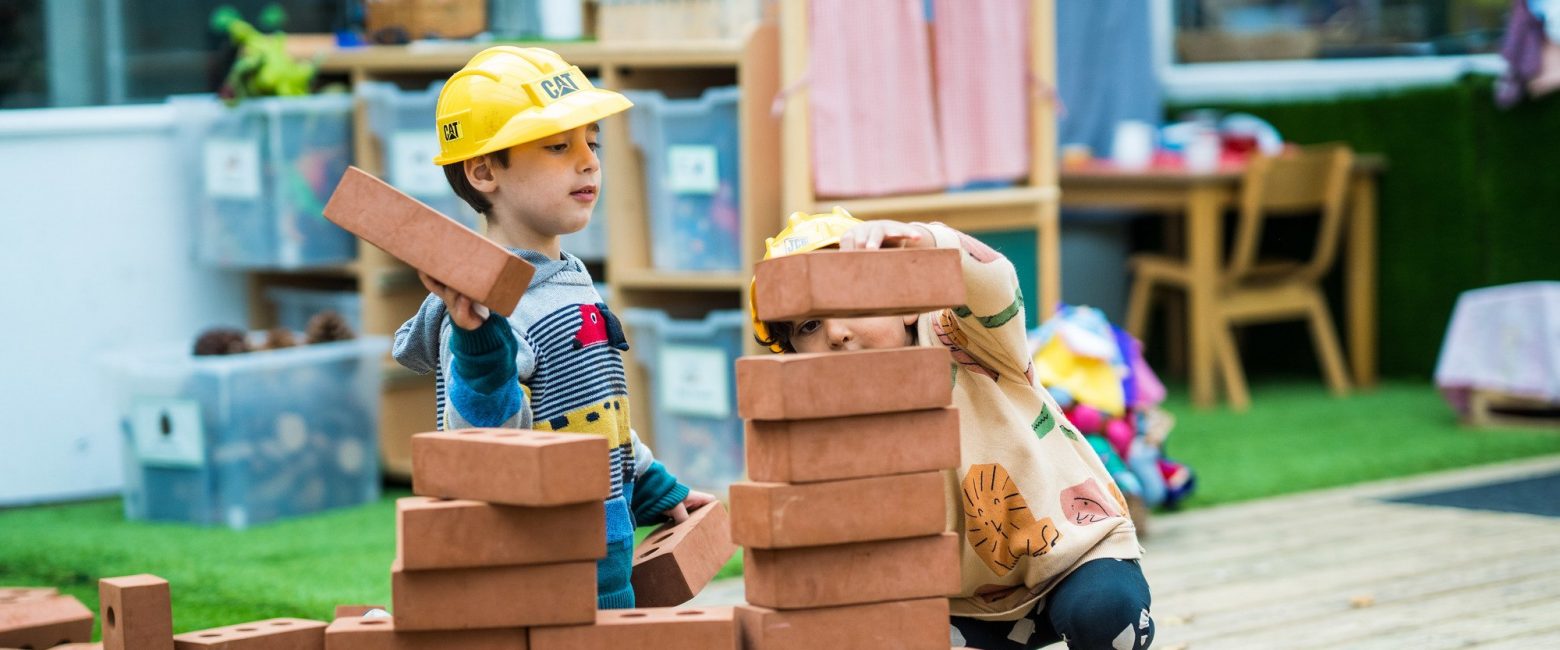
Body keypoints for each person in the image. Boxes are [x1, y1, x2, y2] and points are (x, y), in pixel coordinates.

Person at [392, 46, 714, 609]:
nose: (588, 161)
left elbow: (597, 410)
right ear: (484, 170)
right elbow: (482, 445)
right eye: (558, 146)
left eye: (592, 142)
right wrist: (478, 343)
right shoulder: (483, 313)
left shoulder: (569, 280)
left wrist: (651, 485)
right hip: (537, 574)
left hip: (601, 557)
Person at [751, 208, 1154, 649]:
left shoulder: (961, 335)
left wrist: (925, 241)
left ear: (903, 302)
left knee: (1105, 613)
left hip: (1075, 556)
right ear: (791, 353)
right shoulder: (827, 420)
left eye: (847, 298)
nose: (836, 332)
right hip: (964, 604)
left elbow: (993, 282)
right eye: (808, 325)